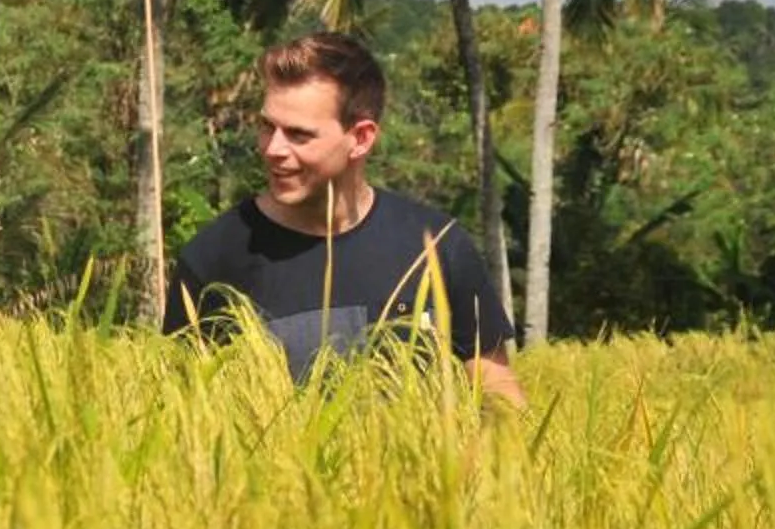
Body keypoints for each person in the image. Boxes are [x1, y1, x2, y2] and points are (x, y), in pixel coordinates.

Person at [163, 31, 523, 406]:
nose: (273, 149)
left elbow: (500, 401)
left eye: (299, 135)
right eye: (267, 126)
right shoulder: (213, 259)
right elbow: (180, 417)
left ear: (362, 138)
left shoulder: (437, 246)